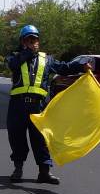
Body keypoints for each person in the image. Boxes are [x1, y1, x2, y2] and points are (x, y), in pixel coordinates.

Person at [6, 25, 91, 185]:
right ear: (22, 41)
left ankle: (44, 172)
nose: (32, 42)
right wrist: (27, 52)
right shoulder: (14, 57)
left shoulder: (47, 59)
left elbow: (64, 68)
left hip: (38, 107)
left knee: (40, 139)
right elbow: (12, 65)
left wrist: (81, 66)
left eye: (35, 39)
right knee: (17, 137)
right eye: (29, 39)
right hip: (18, 105)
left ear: (39, 41)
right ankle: (18, 169)